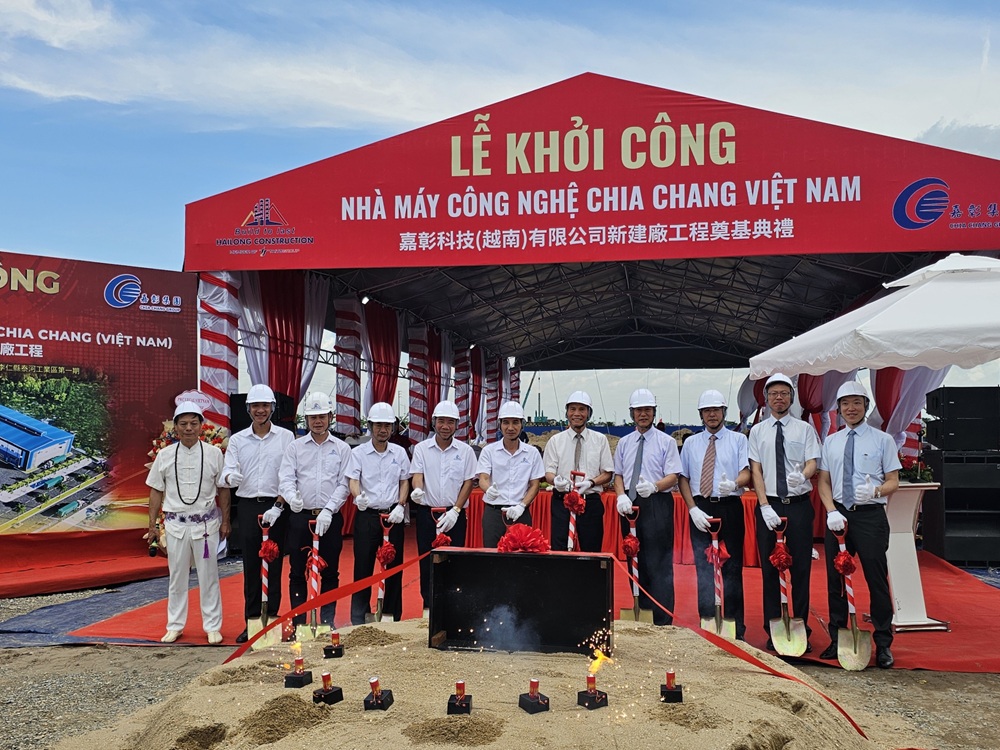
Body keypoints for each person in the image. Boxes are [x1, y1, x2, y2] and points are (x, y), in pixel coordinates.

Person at [817, 381, 900, 668]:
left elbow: (893, 481)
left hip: (869, 517)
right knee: (835, 580)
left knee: (876, 580)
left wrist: (876, 491)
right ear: (838, 409)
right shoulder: (832, 441)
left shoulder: (882, 440)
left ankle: (883, 642)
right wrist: (830, 511)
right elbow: (823, 481)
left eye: (856, 402)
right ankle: (838, 638)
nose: (851, 408)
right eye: (845, 404)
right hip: (839, 515)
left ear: (866, 406)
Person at [145, 401, 230, 644]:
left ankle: (213, 626)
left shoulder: (214, 454)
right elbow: (155, 491)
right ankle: (175, 625)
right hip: (175, 525)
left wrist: (226, 521)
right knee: (177, 577)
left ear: (202, 426)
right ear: (176, 428)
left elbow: (223, 489)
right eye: (184, 424)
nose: (189, 428)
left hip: (205, 526)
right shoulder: (165, 455)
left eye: (194, 423)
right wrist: (153, 525)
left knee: (209, 577)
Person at [748, 373, 822, 650]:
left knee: (801, 569)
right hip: (770, 506)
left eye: (784, 393)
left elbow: (813, 462)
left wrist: (803, 476)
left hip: (799, 506)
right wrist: (764, 504)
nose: (779, 398)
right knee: (770, 569)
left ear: (792, 397)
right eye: (773, 394)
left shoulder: (804, 429)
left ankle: (801, 626)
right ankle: (773, 627)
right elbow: (756, 469)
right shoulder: (757, 431)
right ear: (766, 399)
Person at [222, 384, 295, 643]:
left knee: (273, 564)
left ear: (272, 409)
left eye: (265, 406)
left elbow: (289, 474)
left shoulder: (286, 438)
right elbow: (226, 472)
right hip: (249, 505)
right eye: (255, 406)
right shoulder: (238, 440)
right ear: (248, 409)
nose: (260, 411)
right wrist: (231, 476)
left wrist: (279, 505)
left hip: (277, 506)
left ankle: (272, 619)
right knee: (252, 566)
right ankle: (252, 621)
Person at [678, 389, 751, 640]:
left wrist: (733, 483)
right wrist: (692, 509)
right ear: (701, 415)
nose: (712, 415)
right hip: (701, 508)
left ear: (724, 412)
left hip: (729, 506)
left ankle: (734, 625)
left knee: (731, 567)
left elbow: (746, 472)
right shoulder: (690, 443)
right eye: (707, 411)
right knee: (704, 567)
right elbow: (683, 478)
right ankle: (708, 621)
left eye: (716, 410)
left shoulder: (739, 440)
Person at [277, 392, 352, 629]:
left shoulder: (342, 448)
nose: (317, 421)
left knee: (330, 572)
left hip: (330, 518)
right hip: (300, 517)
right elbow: (286, 478)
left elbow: (344, 484)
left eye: (322, 416)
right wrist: (291, 497)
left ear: (331, 416)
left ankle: (327, 622)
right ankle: (299, 624)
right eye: (312, 417)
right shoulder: (295, 447)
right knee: (297, 572)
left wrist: (329, 510)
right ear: (305, 420)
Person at [612, 388, 682, 625]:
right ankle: (640, 609)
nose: (643, 414)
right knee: (634, 559)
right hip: (630, 506)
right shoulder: (624, 443)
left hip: (657, 503)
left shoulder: (667, 442)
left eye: (648, 410)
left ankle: (662, 618)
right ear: (632, 413)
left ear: (654, 412)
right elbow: (618, 475)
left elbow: (673, 475)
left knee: (658, 562)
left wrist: (654, 486)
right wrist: (621, 496)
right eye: (639, 410)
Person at [408, 400, 478, 609]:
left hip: (453, 515)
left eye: (450, 422)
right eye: (441, 421)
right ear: (434, 422)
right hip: (427, 514)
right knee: (426, 562)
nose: (445, 426)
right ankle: (429, 607)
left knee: (454, 561)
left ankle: (453, 606)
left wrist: (456, 510)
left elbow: (468, 482)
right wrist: (418, 490)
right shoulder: (421, 449)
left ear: (457, 425)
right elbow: (417, 475)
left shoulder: (465, 451)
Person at [348, 402, 410, 624]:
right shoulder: (359, 453)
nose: (383, 430)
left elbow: (405, 482)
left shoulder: (400, 453)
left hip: (392, 516)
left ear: (392, 428)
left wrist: (401, 505)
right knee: (362, 567)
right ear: (370, 426)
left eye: (387, 426)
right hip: (367, 515)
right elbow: (353, 480)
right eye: (378, 425)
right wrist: (358, 497)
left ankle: (391, 615)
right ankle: (358, 618)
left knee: (394, 569)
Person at [543, 390, 614, 552]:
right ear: (566, 412)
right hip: (563, 501)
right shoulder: (556, 441)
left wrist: (591, 482)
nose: (577, 414)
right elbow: (548, 473)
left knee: (592, 549)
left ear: (589, 413)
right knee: (561, 549)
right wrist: (556, 481)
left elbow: (608, 473)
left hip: (590, 501)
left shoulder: (600, 440)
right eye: (572, 409)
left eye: (582, 409)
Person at [476, 401, 544, 547]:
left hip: (521, 512)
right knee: (492, 556)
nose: (510, 428)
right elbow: (483, 478)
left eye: (515, 423)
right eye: (506, 423)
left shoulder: (532, 453)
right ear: (500, 424)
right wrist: (488, 489)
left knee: (522, 559)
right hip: (494, 512)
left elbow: (535, 485)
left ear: (522, 425)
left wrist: (522, 506)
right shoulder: (489, 451)